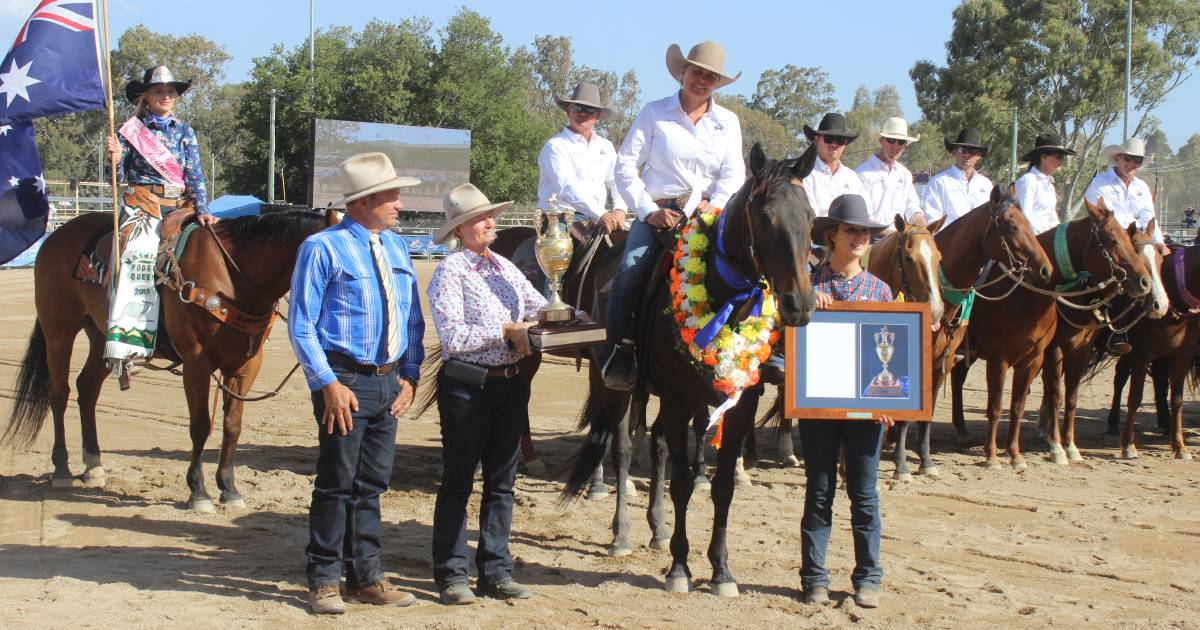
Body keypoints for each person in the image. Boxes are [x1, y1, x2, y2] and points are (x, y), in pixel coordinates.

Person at [288, 152, 425, 615]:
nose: (399, 204)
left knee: (372, 484)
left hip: (387, 383)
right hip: (345, 381)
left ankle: (366, 576)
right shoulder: (322, 248)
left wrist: (409, 374)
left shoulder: (397, 247)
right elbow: (302, 324)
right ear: (364, 201)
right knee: (336, 481)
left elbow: (411, 319)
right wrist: (326, 383)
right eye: (392, 195)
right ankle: (324, 579)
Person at [426, 183, 548, 605]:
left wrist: (570, 315)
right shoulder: (449, 272)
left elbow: (537, 306)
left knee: (502, 483)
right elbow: (454, 337)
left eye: (490, 215)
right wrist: (506, 331)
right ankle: (452, 574)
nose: (490, 222)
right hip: (468, 386)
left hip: (509, 384)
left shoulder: (505, 267)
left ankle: (495, 571)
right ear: (460, 229)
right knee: (458, 480)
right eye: (481, 218)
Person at [603, 41, 744, 390]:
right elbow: (625, 165)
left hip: (709, 215)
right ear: (683, 73)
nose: (702, 80)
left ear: (717, 83)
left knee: (745, 276)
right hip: (659, 214)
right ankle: (620, 351)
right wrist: (648, 211)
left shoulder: (728, 122)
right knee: (630, 272)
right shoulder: (654, 112)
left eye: (710, 76)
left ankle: (737, 355)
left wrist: (718, 203)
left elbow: (734, 173)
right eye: (697, 72)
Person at [800, 193, 895, 609]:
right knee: (819, 491)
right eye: (852, 230)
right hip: (818, 406)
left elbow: (894, 357)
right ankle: (814, 578)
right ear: (832, 235)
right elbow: (784, 344)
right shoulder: (805, 286)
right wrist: (807, 309)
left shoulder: (881, 290)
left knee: (864, 492)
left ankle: (868, 577)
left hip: (866, 409)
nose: (860, 237)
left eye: (865, 232)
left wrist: (891, 401)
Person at [103, 66, 215, 385]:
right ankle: (129, 348)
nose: (166, 96)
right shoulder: (131, 131)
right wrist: (113, 157)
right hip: (143, 204)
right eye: (158, 91)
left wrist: (203, 209)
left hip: (181, 206)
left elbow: (195, 175)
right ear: (146, 97)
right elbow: (120, 174)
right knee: (137, 259)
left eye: (171, 91)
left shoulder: (185, 132)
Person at [1085, 137, 1167, 354]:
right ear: (1118, 158)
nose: (1132, 164)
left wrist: (1159, 242)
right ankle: (1114, 331)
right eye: (1129, 159)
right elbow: (1100, 216)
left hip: (1138, 240)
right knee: (1127, 273)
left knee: (1159, 266)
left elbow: (1149, 217)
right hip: (1110, 241)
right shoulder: (1100, 183)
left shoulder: (1141, 187)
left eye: (1137, 161)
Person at [537, 82, 628, 233]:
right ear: (568, 111)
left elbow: (618, 180)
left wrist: (620, 209)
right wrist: (601, 213)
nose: (582, 114)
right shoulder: (555, 146)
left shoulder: (606, 146)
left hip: (596, 218)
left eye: (589, 110)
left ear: (597, 115)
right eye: (577, 108)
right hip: (561, 217)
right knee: (558, 252)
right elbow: (566, 186)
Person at [918, 128, 993, 226]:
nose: (967, 155)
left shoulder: (986, 184)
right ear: (954, 152)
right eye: (962, 150)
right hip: (946, 240)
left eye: (972, 151)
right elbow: (932, 221)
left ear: (979, 155)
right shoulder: (938, 182)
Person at [855, 117, 921, 226]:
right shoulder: (862, 173)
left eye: (901, 142)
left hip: (897, 238)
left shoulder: (905, 174)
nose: (895, 146)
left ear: (905, 145)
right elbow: (862, 216)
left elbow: (912, 208)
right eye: (891, 140)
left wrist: (924, 228)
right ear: (881, 141)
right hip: (871, 237)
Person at [801, 112, 866, 217]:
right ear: (816, 140)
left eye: (840, 140)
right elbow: (808, 216)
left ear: (845, 145)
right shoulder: (805, 175)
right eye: (828, 139)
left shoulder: (853, 179)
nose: (834, 144)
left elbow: (862, 214)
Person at [1015, 133, 1076, 235]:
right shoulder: (1029, 180)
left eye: (1062, 158)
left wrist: (1060, 234)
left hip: (1049, 239)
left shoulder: (1050, 185)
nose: (1061, 162)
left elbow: (1052, 216)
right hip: (1034, 239)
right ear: (1043, 157)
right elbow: (1024, 216)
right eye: (1058, 157)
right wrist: (1045, 236)